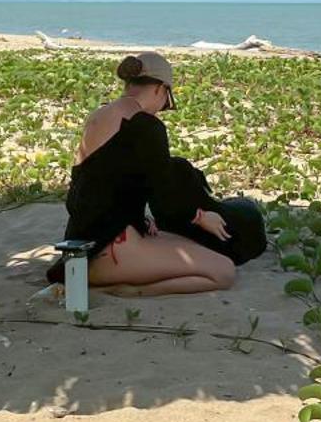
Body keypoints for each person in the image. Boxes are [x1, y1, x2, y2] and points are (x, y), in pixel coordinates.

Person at [55, 51, 239, 295]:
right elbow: (166, 197)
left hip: (79, 241)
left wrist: (137, 217)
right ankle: (130, 290)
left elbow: (92, 186)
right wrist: (201, 217)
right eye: (167, 97)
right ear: (160, 89)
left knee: (182, 244)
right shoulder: (145, 125)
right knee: (223, 271)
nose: (163, 106)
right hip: (109, 249)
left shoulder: (98, 116)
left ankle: (118, 278)